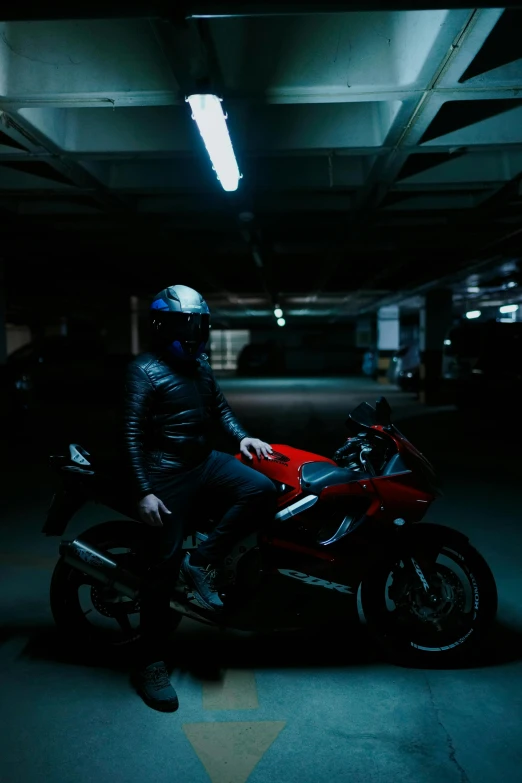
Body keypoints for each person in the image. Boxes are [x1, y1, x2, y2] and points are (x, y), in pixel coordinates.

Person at [122, 284, 277, 712]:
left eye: (198, 324)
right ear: (161, 325)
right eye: (182, 323)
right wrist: (144, 491)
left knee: (260, 489)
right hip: (165, 471)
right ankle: (149, 662)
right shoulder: (144, 370)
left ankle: (202, 560)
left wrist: (243, 437)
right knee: (161, 566)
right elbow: (130, 435)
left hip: (203, 460)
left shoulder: (200, 364)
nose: (191, 332)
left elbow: (220, 409)